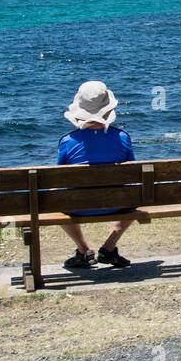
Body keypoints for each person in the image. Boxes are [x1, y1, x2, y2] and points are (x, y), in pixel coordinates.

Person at [56, 81, 136, 269]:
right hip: (117, 204)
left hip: (78, 206)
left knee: (56, 201)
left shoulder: (67, 142)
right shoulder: (122, 138)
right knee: (135, 197)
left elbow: (59, 177)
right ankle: (108, 248)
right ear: (107, 109)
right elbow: (132, 174)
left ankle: (84, 251)